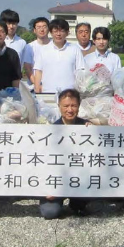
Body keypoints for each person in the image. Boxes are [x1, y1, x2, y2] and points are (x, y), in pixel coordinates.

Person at [39, 89, 90, 219]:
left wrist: (93, 132)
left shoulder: (86, 127)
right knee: (50, 212)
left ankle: (77, 204)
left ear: (79, 106)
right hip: (56, 181)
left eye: (73, 106)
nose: (70, 110)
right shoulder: (50, 131)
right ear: (59, 106)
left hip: (78, 178)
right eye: (66, 106)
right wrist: (46, 188)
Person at [33, 19, 85, 94]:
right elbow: (38, 71)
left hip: (69, 93)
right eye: (55, 31)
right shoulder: (43, 50)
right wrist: (37, 87)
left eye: (62, 31)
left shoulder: (75, 49)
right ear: (51, 32)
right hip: (47, 92)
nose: (58, 34)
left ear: (67, 33)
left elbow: (80, 71)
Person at [0, 20, 22, 93]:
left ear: (6, 35)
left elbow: (16, 79)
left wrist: (15, 94)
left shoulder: (12, 54)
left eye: (2, 32)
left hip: (7, 96)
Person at [22, 18, 50, 89]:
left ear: (48, 29)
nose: (42, 30)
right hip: (34, 86)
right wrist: (37, 84)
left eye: (44, 27)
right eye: (39, 27)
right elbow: (28, 68)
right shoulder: (29, 47)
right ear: (34, 30)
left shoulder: (54, 46)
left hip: (51, 85)